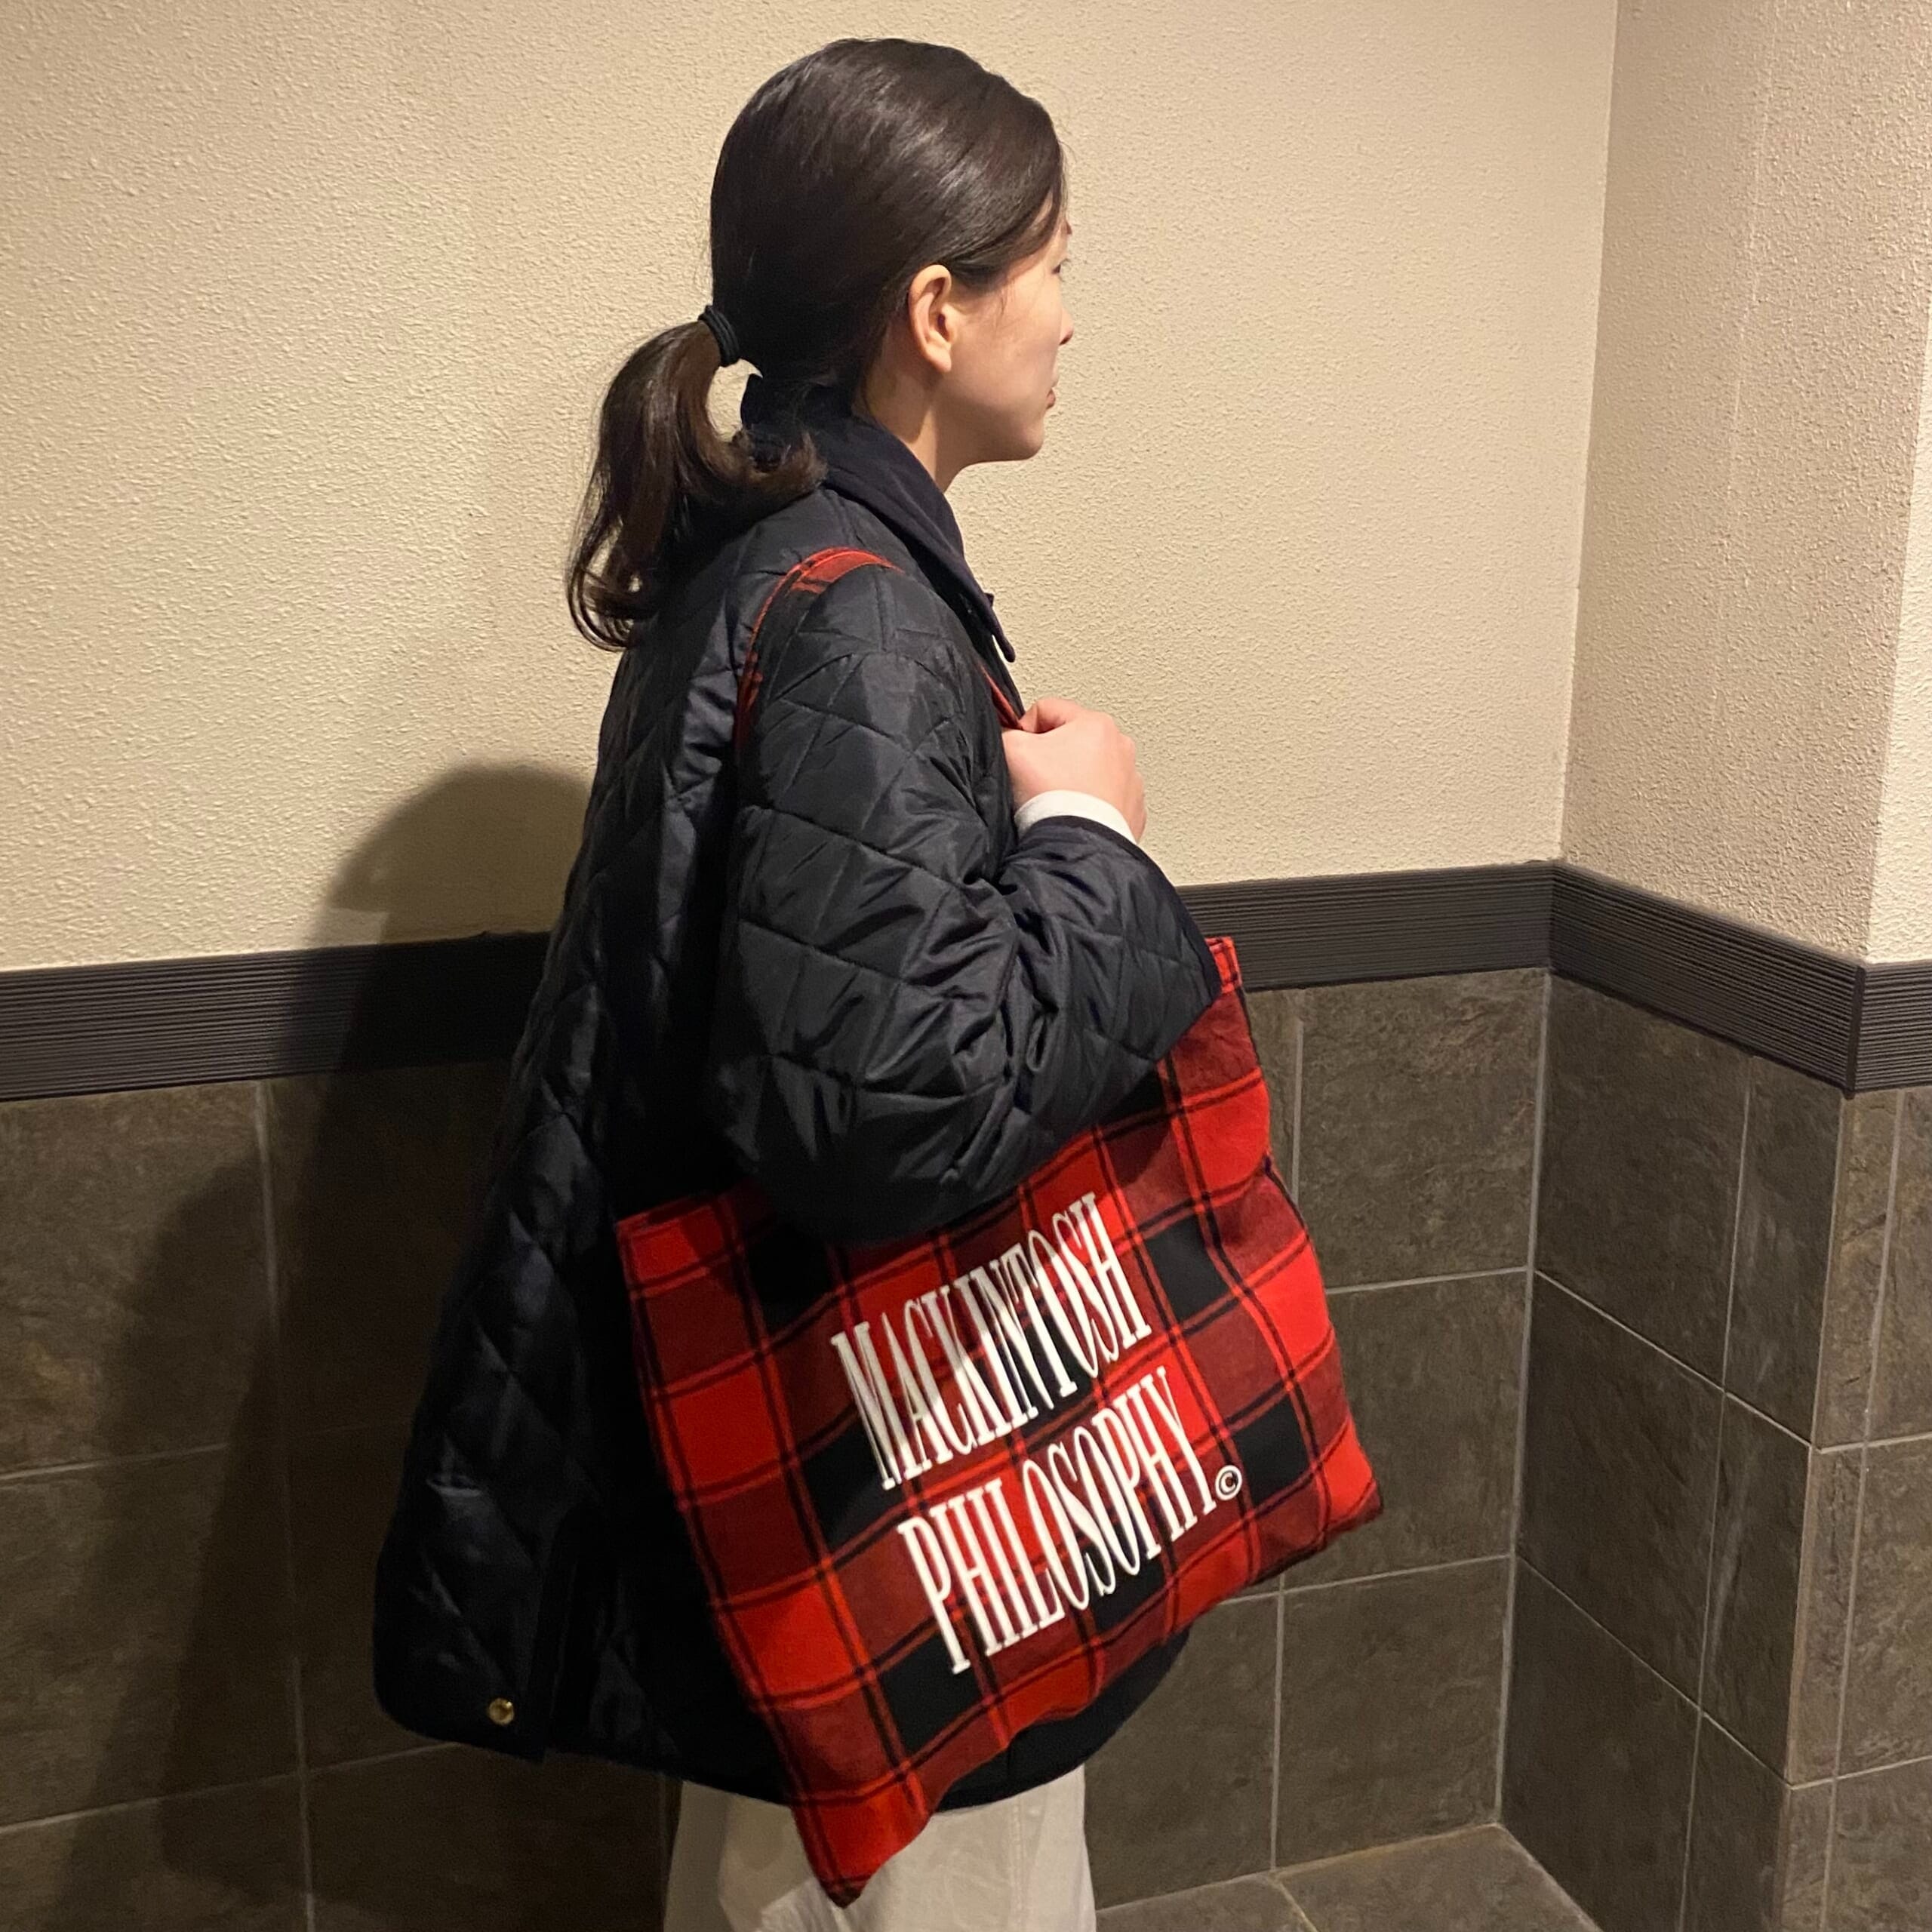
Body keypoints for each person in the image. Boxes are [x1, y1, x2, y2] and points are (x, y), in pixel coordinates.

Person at [370, 35, 1223, 1932]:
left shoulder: (776, 557)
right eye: (1053, 263)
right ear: (935, 308)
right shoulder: (861, 616)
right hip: (898, 1500)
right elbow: (896, 1106)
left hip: (812, 1479)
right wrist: (1095, 840)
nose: (1070, 315)